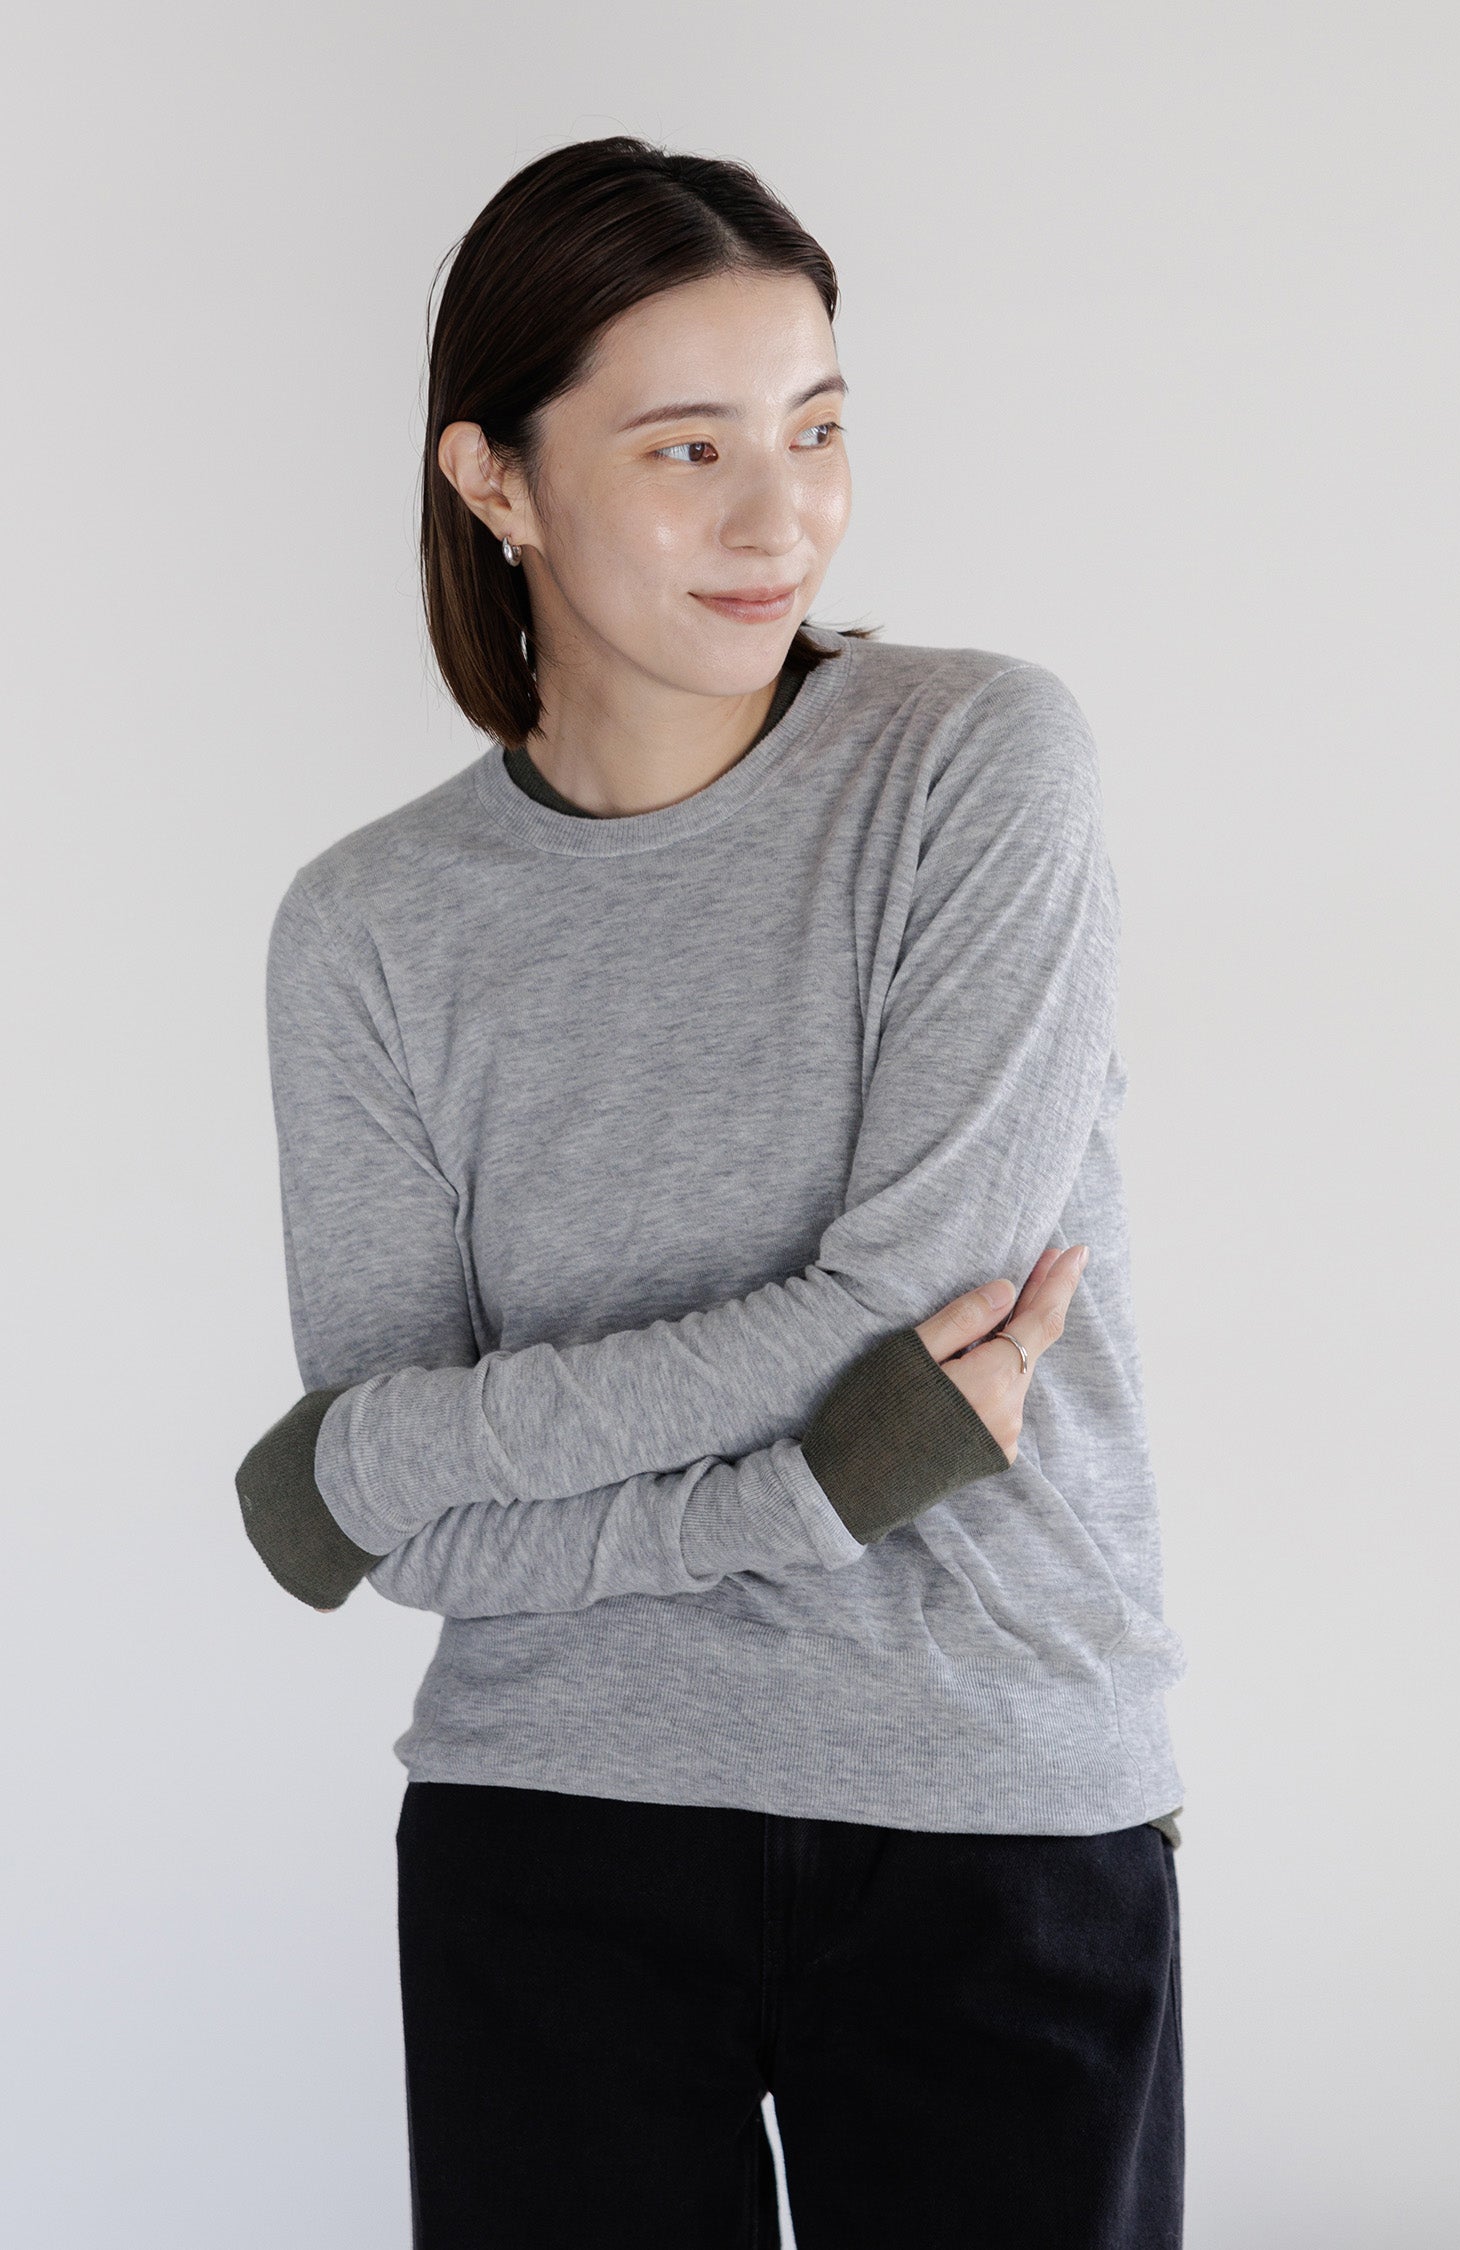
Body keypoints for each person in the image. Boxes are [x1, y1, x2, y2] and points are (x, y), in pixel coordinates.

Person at [235, 134, 1186, 2248]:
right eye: (690, 450)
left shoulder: (975, 765)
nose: (784, 518)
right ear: (495, 479)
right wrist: (819, 1486)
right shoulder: (369, 929)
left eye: (816, 429)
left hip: (986, 1792)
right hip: (550, 1816)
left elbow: (901, 1302)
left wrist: (379, 1450)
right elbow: (416, 1541)